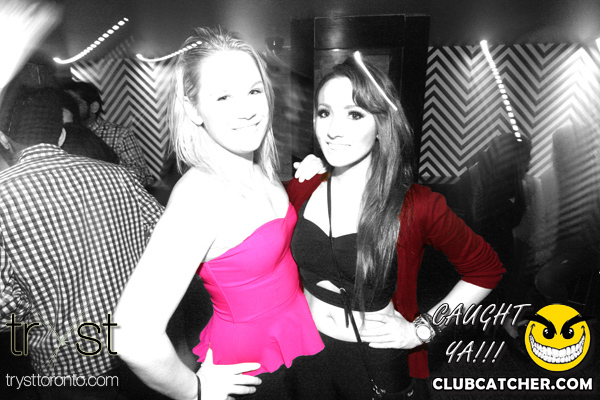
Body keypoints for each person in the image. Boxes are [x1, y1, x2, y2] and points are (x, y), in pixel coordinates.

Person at [114, 26, 324, 400]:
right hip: (252, 373)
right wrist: (194, 390)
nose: (246, 110)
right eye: (223, 97)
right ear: (194, 110)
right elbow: (130, 335)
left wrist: (314, 178)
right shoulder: (200, 195)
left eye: (254, 91)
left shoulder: (258, 165)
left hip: (294, 340)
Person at [286, 54, 505, 399]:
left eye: (354, 114)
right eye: (324, 112)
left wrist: (422, 331)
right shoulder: (304, 186)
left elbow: (486, 269)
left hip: (373, 359)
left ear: (381, 126)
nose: (333, 130)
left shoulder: (416, 205)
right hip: (305, 350)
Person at [0, 86, 164, 399]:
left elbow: (3, 309)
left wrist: (37, 306)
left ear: (5, 139)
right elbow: (168, 244)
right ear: (62, 134)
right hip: (141, 350)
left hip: (70, 366)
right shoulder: (119, 176)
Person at [63, 80, 154, 187]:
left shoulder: (120, 134)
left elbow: (143, 177)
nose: (69, 107)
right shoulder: (62, 135)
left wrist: (108, 164)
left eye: (75, 102)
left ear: (94, 107)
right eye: (65, 103)